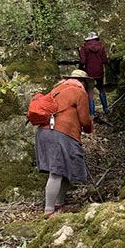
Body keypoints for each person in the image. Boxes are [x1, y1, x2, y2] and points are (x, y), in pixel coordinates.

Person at [35, 69, 94, 217]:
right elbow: (85, 120)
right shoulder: (79, 92)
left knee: (65, 170)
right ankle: (49, 211)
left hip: (44, 133)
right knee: (56, 172)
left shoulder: (56, 90)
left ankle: (58, 204)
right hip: (61, 134)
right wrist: (90, 128)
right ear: (83, 82)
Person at [79, 31, 109, 117]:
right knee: (101, 88)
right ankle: (106, 108)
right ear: (96, 38)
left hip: (89, 72)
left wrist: (80, 68)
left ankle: (91, 114)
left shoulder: (84, 47)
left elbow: (82, 61)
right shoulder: (101, 47)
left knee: (90, 91)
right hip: (99, 71)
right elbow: (105, 61)